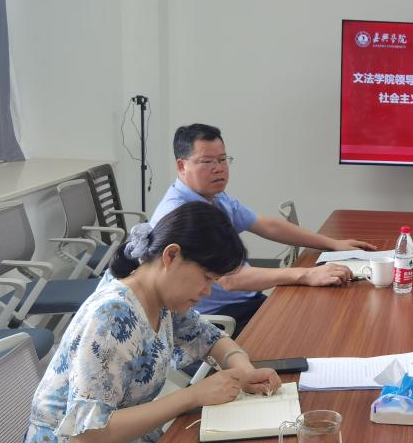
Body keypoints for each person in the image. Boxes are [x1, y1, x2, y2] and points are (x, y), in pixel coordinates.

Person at [0, 202, 282, 443]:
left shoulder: (159, 298)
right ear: (171, 256)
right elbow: (87, 438)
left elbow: (210, 338)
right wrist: (192, 396)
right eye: (206, 278)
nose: (207, 292)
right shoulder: (112, 315)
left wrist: (242, 368)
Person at [150, 123, 377, 329]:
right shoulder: (181, 214)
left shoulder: (215, 196)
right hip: (216, 320)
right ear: (182, 165)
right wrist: (307, 274)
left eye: (222, 159)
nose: (218, 168)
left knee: (322, 314)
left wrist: (333, 244)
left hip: (247, 301)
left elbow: (267, 225)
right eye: (207, 161)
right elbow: (230, 279)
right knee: (316, 324)